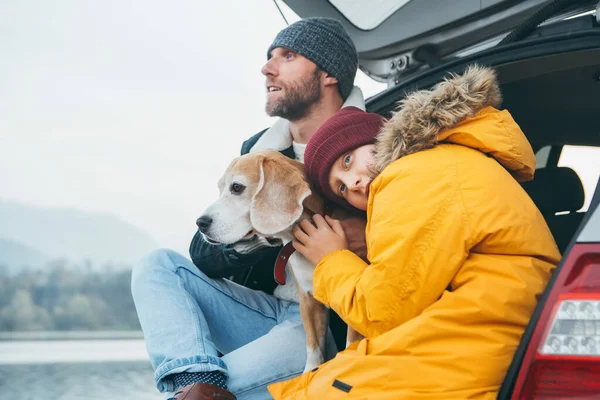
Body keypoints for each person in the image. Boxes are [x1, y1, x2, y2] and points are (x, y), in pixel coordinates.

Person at [268, 65, 561, 399]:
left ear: (381, 139)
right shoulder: (438, 165)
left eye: (348, 162)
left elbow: (383, 312)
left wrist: (331, 259)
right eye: (342, 189)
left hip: (476, 344)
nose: (355, 184)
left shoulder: (412, 175)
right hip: (483, 333)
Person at [131, 17, 367, 400]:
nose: (266, 68)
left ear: (328, 74)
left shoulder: (372, 143)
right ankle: (194, 375)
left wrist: (366, 234)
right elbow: (204, 253)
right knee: (157, 265)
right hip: (267, 310)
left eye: (287, 56)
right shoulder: (258, 150)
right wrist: (266, 233)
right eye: (268, 56)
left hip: (327, 324)